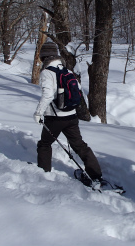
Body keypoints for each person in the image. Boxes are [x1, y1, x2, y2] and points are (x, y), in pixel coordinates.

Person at [33, 41, 103, 183]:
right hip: (71, 116)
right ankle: (95, 174)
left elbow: (47, 95)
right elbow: (77, 91)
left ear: (44, 56)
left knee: (44, 145)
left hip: (55, 118)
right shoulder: (67, 71)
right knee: (80, 145)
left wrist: (38, 113)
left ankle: (43, 174)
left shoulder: (47, 72)